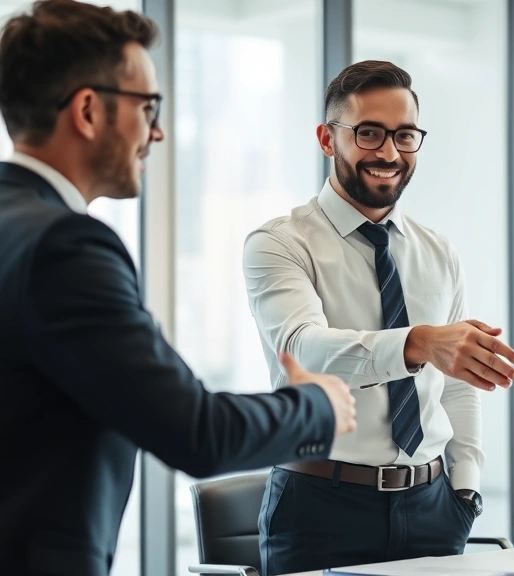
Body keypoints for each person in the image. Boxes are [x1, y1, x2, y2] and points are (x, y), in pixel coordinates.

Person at [0, 2, 358, 575]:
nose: (157, 131)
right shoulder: (66, 248)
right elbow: (197, 433)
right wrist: (318, 405)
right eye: (148, 107)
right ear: (89, 110)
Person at [243, 59, 514, 574]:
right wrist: (418, 343)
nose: (389, 153)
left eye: (405, 135)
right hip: (319, 507)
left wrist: (466, 488)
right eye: (369, 133)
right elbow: (305, 350)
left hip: (435, 507)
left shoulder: (438, 252)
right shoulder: (279, 243)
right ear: (328, 139)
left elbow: (456, 388)